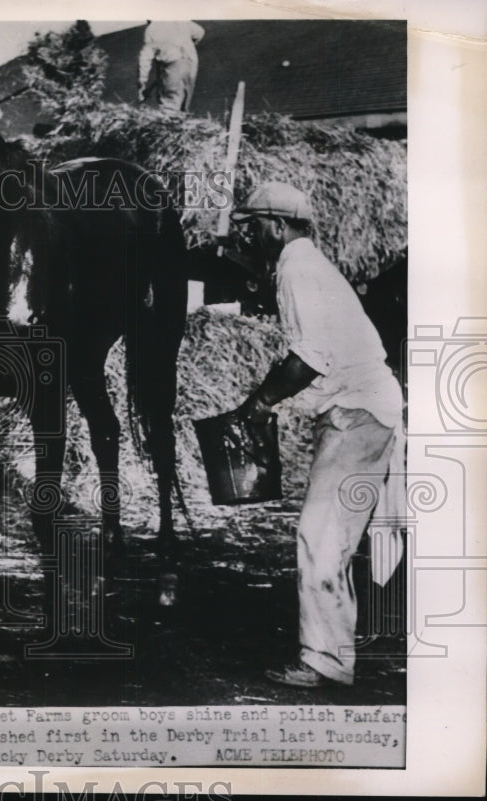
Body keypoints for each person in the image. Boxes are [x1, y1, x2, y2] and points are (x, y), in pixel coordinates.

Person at [231, 182, 404, 688]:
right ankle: (335, 650)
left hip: (358, 412)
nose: (247, 236)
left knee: (322, 536)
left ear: (278, 227)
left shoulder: (297, 269)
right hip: (362, 407)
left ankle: (325, 661)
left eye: (253, 226)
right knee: (335, 535)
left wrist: (260, 403)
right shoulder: (309, 265)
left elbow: (310, 357)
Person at [138, 20, 205, 113]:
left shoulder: (151, 28)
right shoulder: (179, 20)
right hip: (191, 62)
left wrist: (142, 82)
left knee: (169, 105)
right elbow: (200, 32)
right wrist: (189, 44)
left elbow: (145, 58)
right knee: (184, 103)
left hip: (172, 64)